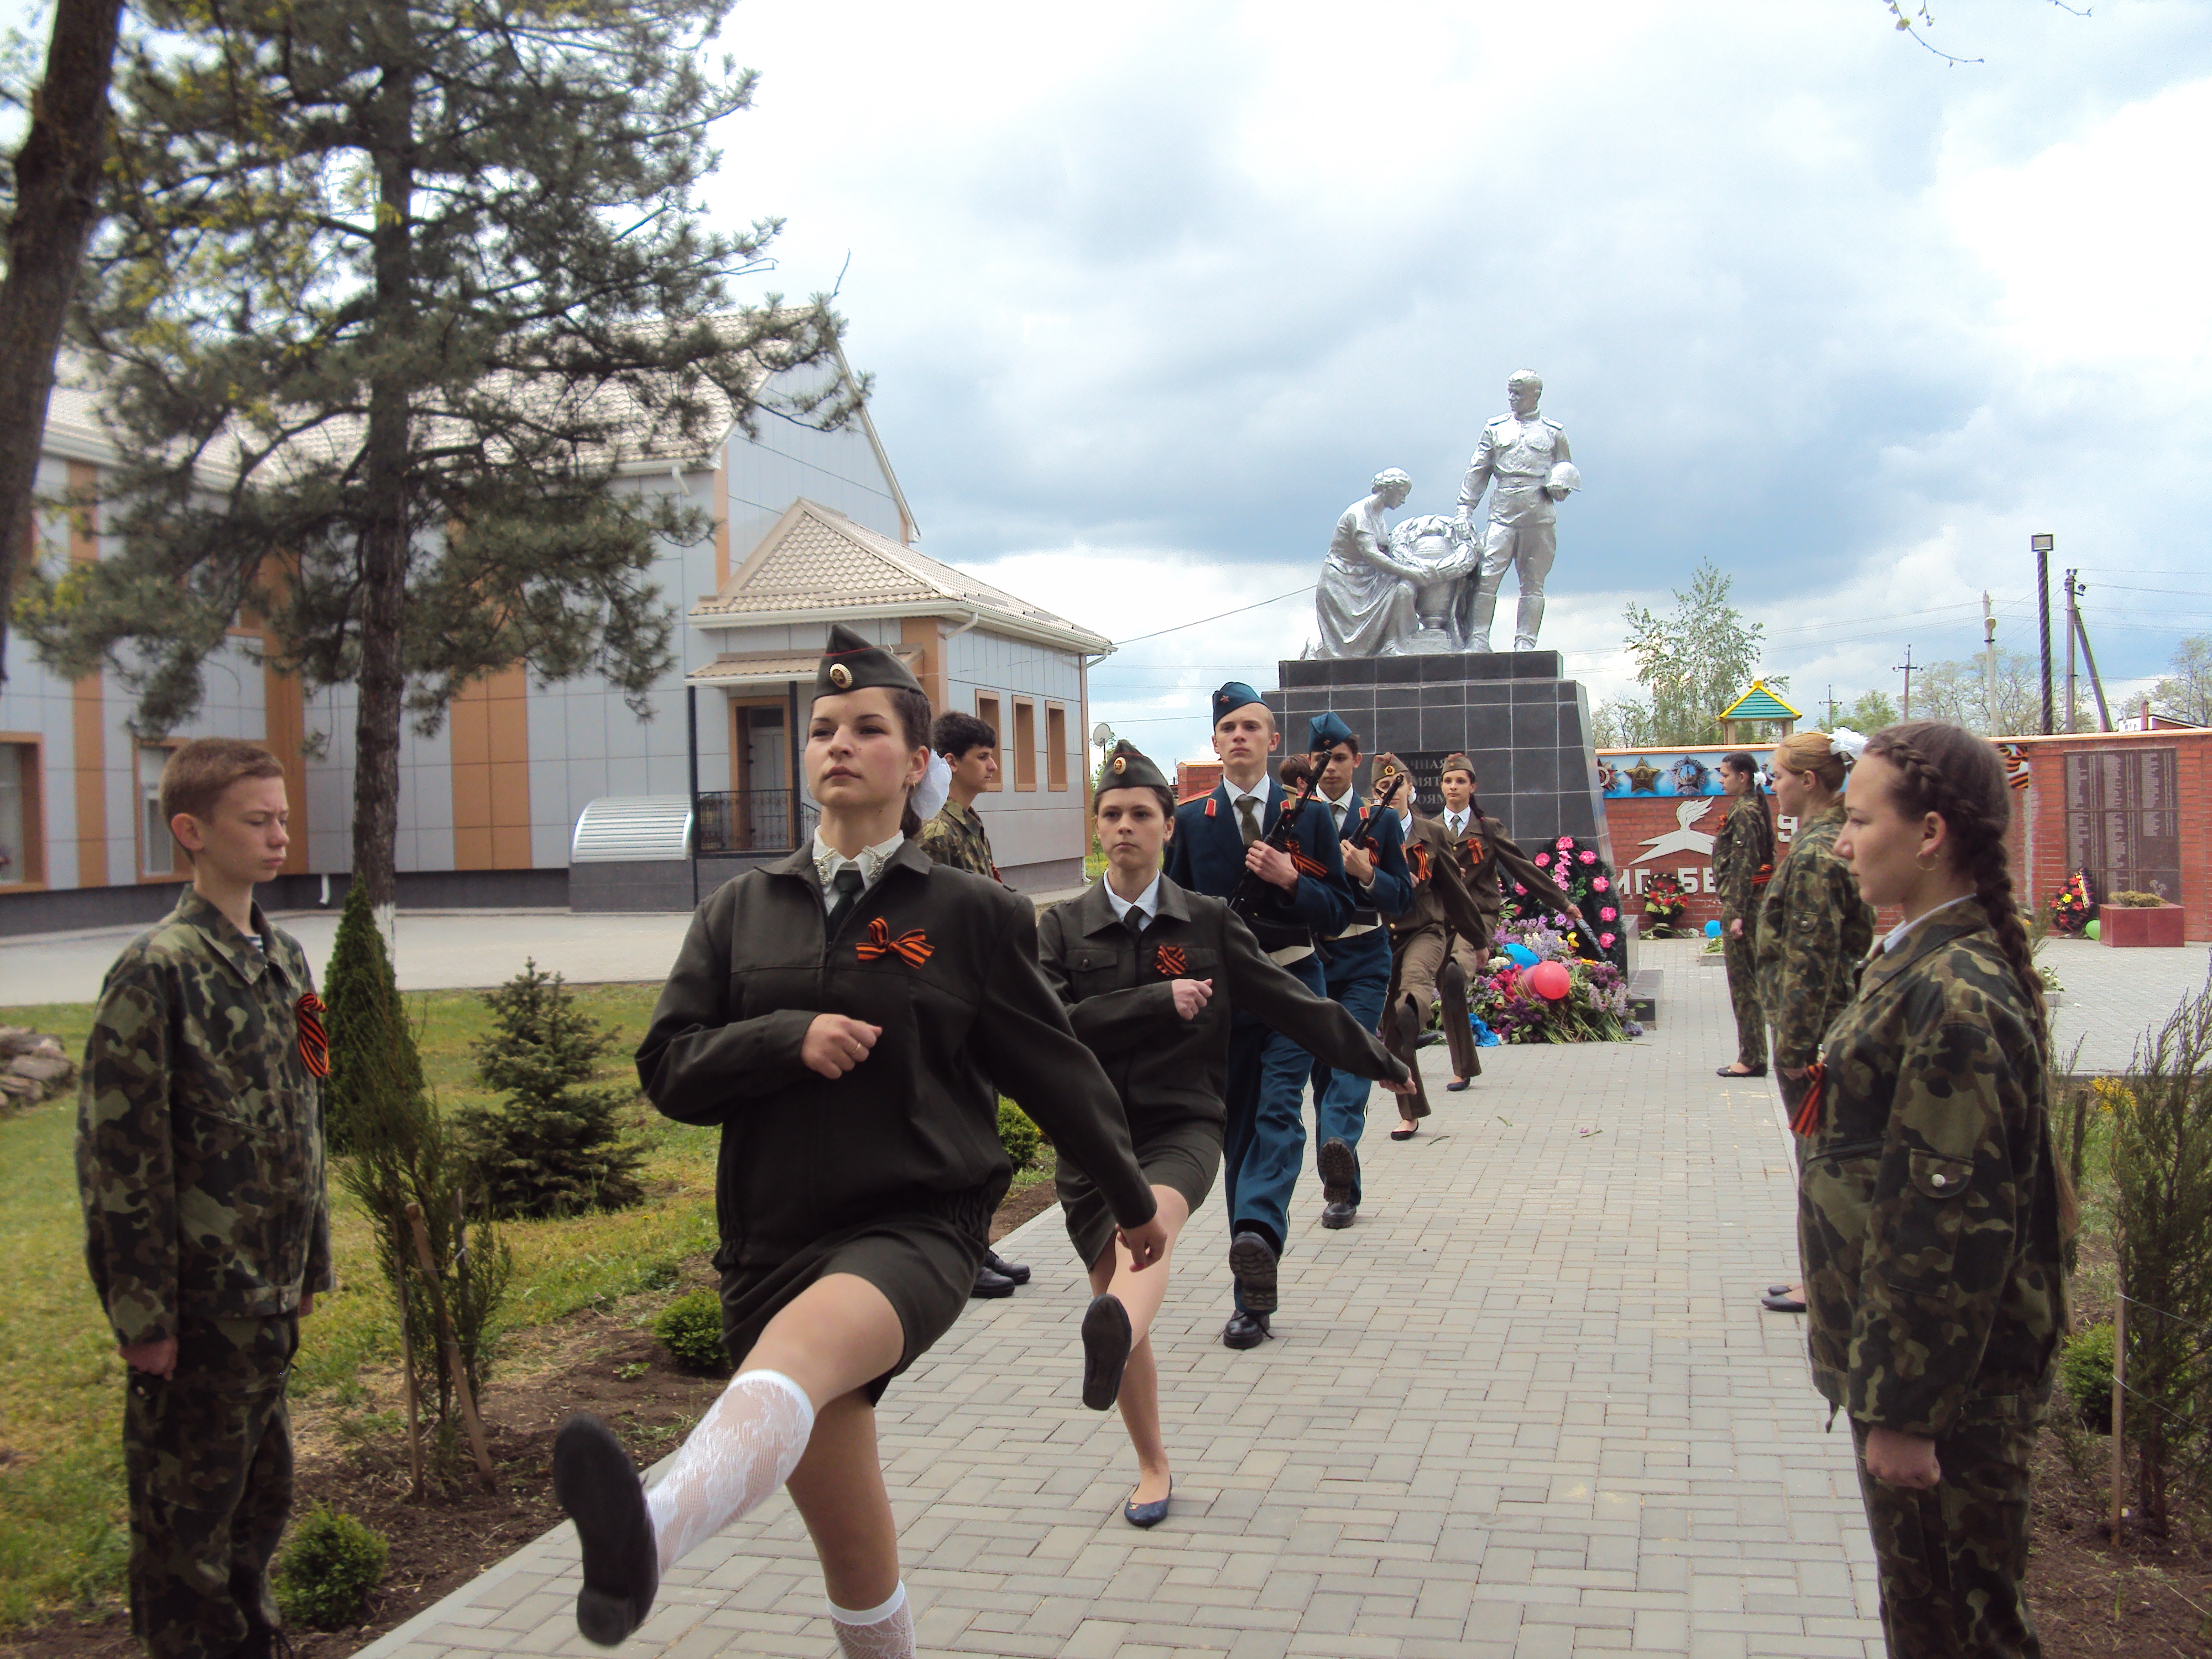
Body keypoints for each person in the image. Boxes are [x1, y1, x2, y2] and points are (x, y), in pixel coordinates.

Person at [554, 625, 1166, 1655]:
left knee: (793, 1363)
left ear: (916, 763)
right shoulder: (740, 910)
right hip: (768, 1243)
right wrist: (787, 1039)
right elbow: (669, 1069)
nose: (839, 741)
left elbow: (1053, 1067)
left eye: (868, 727)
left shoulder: (969, 911)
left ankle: (645, 1536)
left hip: (913, 1224)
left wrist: (1132, 1202)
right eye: (823, 727)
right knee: (854, 1551)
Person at [1039, 742, 1411, 1525]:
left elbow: (1290, 1002)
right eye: (1113, 814)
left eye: (1142, 813)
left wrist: (1375, 1058)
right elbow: (1052, 1031)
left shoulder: (1206, 921)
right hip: (1089, 1132)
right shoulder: (1062, 928)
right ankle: (1152, 1460)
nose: (1127, 826)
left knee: (1153, 1230)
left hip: (1181, 1121)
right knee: (1119, 1289)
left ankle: (1118, 1332)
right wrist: (1151, 1001)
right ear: (1097, 828)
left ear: (1167, 829)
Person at [1805, 721, 2066, 1658]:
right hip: (1918, 1379)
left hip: (1949, 1396)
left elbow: (1946, 1221)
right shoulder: (1919, 960)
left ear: (1929, 836)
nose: (1841, 841)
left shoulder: (1954, 990)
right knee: (1928, 1615)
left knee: (1960, 1624)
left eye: (1860, 819)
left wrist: (1908, 1413)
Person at [77, 739, 332, 1659]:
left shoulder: (289, 962)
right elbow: (120, 1162)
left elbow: (310, 1113)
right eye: (256, 821)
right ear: (190, 831)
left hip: (268, 1297)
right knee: (187, 1537)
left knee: (259, 1509)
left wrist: (313, 1263)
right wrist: (143, 1314)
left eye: (283, 818)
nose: (279, 836)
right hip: (198, 1308)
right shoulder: (157, 973)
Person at [1166, 683, 1354, 1350]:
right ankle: (1253, 1294)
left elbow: (1339, 911)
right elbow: (1171, 921)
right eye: (1227, 728)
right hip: (1223, 1001)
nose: (1239, 736)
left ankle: (1255, 1237)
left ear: (1274, 742)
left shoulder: (1309, 821)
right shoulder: (1191, 822)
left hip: (1292, 983)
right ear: (1215, 744)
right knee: (1240, 1133)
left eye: (1251, 726)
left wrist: (1290, 880)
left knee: (1278, 1113)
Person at [1756, 731, 1876, 1316]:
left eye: (1778, 776)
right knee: (1823, 1157)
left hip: (1815, 1030)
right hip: (1827, 1023)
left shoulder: (1815, 853)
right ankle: (1820, 1273)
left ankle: (1826, 1282)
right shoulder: (1829, 841)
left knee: (1822, 1160)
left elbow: (1812, 953)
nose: (1771, 786)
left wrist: (1797, 1047)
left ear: (1809, 782)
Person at [916, 709, 1030, 1300]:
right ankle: (959, 1254)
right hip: (953, 1001)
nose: (993, 765)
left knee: (979, 1130)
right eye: (983, 757)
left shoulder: (967, 824)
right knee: (961, 1134)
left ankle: (975, 1242)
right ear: (950, 763)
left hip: (978, 995)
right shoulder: (937, 832)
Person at [1303, 713, 1414, 1221]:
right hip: (1314, 960)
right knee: (1325, 1076)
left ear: (1356, 762)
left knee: (1353, 1056)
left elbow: (1404, 897)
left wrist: (1368, 873)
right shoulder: (1295, 819)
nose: (1330, 769)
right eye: (1321, 759)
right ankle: (1342, 1189)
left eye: (1340, 759)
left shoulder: (1382, 821)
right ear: (1309, 763)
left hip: (1366, 957)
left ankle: (1339, 1149)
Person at [1433, 754, 1582, 1091]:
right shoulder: (1431, 830)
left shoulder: (1488, 828)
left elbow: (1523, 869)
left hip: (1476, 917)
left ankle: (1460, 1068)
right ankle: (1465, 1064)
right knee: (1448, 988)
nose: (1453, 787)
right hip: (1441, 920)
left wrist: (1564, 903)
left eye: (1460, 781)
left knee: (1457, 975)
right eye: (1448, 781)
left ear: (1473, 786)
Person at [1369, 753, 1491, 1136]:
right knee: (1392, 1031)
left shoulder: (1431, 833)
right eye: (1380, 790)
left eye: (1396, 786)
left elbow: (1455, 893)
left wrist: (1477, 939)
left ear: (1410, 787)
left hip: (1425, 930)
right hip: (1383, 938)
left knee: (1414, 987)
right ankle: (1411, 1112)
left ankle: (1415, 1014)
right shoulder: (1365, 835)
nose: (1389, 794)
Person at [1453, 369, 1579, 652]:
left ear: (1536, 395)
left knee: (1533, 583)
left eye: (1519, 393)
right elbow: (1478, 471)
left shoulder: (1554, 432)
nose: (1512, 398)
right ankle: (1478, 639)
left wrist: (1562, 489)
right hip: (1503, 512)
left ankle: (1525, 643)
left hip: (1539, 513)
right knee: (1486, 576)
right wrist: (1464, 508)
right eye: (1510, 392)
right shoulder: (1495, 428)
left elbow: (1565, 472)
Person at [1712, 751, 1775, 1079]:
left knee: (1745, 984)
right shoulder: (1748, 808)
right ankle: (1753, 1052)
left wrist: (1735, 913)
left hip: (1745, 908)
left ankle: (1751, 1057)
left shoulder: (1745, 812)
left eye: (1725, 775)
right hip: (1749, 905)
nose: (1721, 780)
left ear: (1743, 777)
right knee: (1749, 982)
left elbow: (1743, 864)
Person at [1315, 468, 1418, 657]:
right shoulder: (1359, 514)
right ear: (1388, 490)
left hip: (1367, 581)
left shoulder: (1379, 518)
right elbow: (1372, 554)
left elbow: (1385, 551)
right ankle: (1388, 644)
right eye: (1402, 495)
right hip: (1344, 584)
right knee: (1402, 587)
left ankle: (1393, 642)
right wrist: (1409, 572)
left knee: (1404, 589)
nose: (1403, 501)